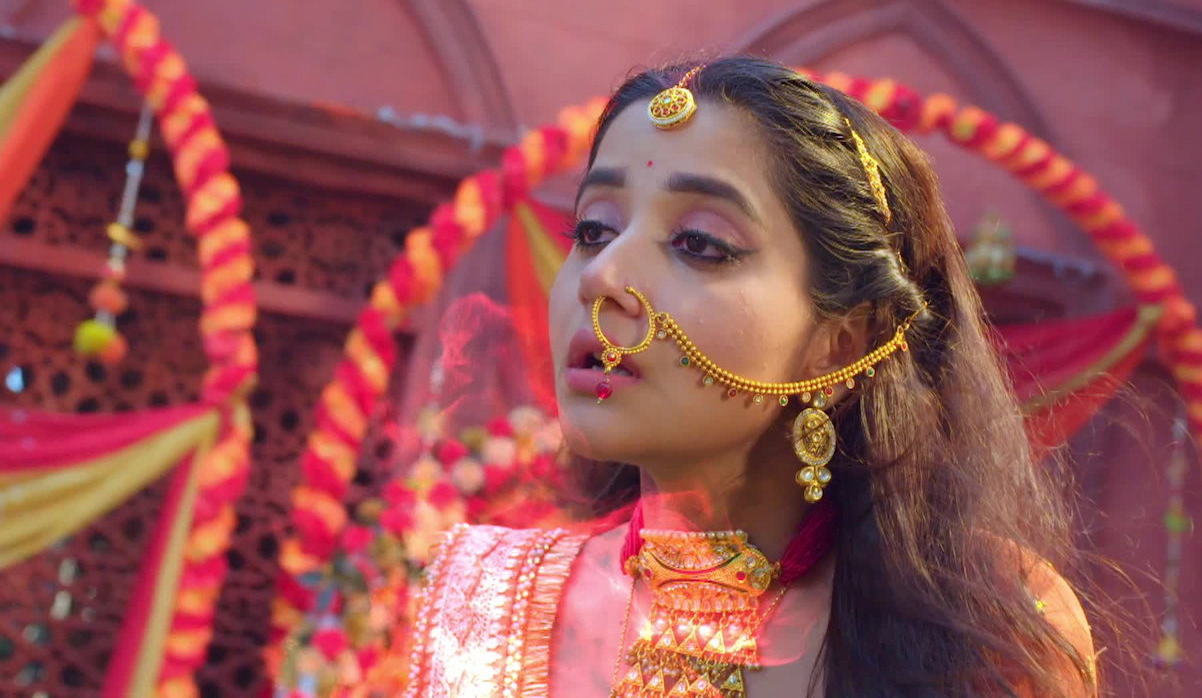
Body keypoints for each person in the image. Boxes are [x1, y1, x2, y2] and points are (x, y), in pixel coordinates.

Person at [403, 56, 1097, 698]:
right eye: (593, 230)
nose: (602, 277)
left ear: (840, 343)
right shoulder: (483, 600)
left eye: (698, 243)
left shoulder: (985, 624)